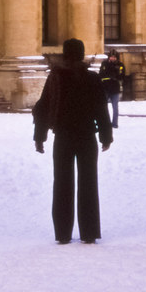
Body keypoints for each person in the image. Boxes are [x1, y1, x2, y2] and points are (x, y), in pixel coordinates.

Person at [33, 38, 113, 244]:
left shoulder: (56, 78)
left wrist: (40, 137)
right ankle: (88, 232)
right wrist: (105, 136)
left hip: (63, 136)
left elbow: (42, 108)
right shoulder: (91, 78)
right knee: (88, 183)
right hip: (86, 136)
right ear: (82, 54)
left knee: (62, 183)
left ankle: (62, 233)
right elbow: (101, 109)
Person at [98, 49, 125, 129]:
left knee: (115, 107)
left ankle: (114, 123)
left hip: (115, 89)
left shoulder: (120, 65)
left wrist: (114, 76)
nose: (112, 58)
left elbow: (122, 76)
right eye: (111, 57)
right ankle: (105, 122)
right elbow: (101, 74)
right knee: (103, 107)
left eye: (114, 57)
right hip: (105, 88)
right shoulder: (104, 64)